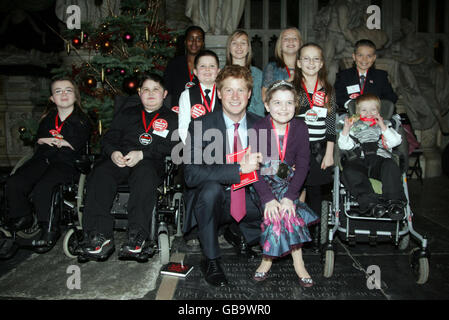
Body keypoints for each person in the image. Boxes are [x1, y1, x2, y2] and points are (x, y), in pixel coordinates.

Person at [77, 74, 178, 262]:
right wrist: (114, 152)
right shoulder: (127, 114)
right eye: (145, 89)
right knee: (100, 173)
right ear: (139, 93)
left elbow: (174, 147)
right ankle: (99, 235)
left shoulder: (172, 119)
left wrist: (143, 154)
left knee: (145, 174)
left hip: (150, 162)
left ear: (164, 94)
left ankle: (137, 236)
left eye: (155, 89)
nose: (150, 94)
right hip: (121, 160)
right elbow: (108, 138)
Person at [183, 65, 263, 287]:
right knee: (210, 190)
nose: (235, 97)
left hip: (248, 199)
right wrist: (237, 170)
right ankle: (211, 259)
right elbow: (191, 174)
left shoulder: (262, 125)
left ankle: (240, 233)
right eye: (229, 90)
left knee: (275, 197)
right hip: (214, 200)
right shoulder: (200, 125)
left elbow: (271, 170)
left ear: (249, 94)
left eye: (240, 90)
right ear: (219, 93)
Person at [3, 78, 91, 254]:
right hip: (43, 159)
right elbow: (41, 140)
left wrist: (54, 141)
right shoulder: (48, 119)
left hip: (67, 162)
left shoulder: (81, 120)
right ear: (52, 98)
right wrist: (56, 141)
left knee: (46, 186)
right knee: (15, 181)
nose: (63, 94)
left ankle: (49, 227)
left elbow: (73, 144)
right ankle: (22, 215)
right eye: (58, 91)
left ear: (75, 96)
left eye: (68, 90)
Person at [251, 80, 319, 287]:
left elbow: (304, 164)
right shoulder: (259, 127)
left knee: (286, 208)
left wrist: (290, 197)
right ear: (267, 106)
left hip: (290, 184)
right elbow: (255, 169)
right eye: (277, 103)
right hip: (264, 185)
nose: (283, 108)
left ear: (296, 106)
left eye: (289, 103)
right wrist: (268, 198)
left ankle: (267, 259)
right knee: (279, 209)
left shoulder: (300, 127)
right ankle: (298, 262)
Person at [292, 43, 336, 251]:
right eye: (306, 59)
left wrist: (329, 152)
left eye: (315, 59)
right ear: (299, 63)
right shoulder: (293, 89)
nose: (311, 63)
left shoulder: (327, 89)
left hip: (320, 149)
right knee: (297, 188)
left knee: (316, 190)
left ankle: (316, 230)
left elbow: (330, 123)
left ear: (322, 63)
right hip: (298, 147)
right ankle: (297, 229)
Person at [338, 93, 406, 219]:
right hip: (360, 160)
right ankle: (370, 203)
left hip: (380, 161)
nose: (369, 113)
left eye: (373, 110)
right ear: (357, 112)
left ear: (379, 111)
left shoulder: (386, 125)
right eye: (364, 110)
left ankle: (394, 202)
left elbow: (396, 141)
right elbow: (344, 145)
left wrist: (383, 127)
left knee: (390, 165)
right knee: (349, 171)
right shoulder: (354, 127)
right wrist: (346, 129)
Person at [334, 39, 397, 112]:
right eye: (360, 55)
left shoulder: (381, 76)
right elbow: (337, 96)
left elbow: (391, 97)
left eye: (369, 56)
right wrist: (351, 105)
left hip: (374, 115)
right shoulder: (344, 75)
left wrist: (374, 107)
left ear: (374, 58)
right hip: (350, 114)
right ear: (354, 57)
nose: (364, 59)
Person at [178, 50, 221, 144]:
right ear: (195, 72)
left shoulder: (225, 93)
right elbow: (183, 127)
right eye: (202, 66)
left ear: (218, 71)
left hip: (222, 146)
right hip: (195, 148)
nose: (207, 69)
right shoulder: (186, 95)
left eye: (212, 66)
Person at [163, 26, 205, 109]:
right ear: (185, 42)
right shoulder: (174, 64)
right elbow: (167, 91)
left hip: (199, 114)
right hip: (177, 112)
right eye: (190, 39)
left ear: (203, 43)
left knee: (198, 123)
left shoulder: (207, 65)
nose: (194, 42)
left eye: (198, 39)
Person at [225, 30, 264, 117]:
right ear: (229, 48)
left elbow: (261, 103)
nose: (239, 46)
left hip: (256, 122)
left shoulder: (258, 74)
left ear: (248, 48)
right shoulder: (222, 74)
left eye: (243, 43)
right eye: (234, 43)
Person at [262, 27, 302, 102]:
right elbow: (265, 97)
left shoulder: (307, 68)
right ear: (280, 45)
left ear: (300, 44)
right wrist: (288, 81)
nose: (290, 41)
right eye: (286, 39)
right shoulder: (271, 68)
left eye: (295, 38)